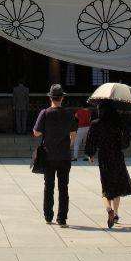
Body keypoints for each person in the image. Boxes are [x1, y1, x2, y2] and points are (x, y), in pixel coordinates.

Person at [32, 84, 77, 226]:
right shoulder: (69, 113)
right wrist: (67, 145)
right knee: (64, 187)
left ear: (50, 98)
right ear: (62, 98)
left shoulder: (45, 113)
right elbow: (73, 134)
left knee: (49, 186)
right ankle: (62, 218)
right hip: (64, 155)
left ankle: (48, 216)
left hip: (48, 155)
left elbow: (36, 132)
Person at [90, 100, 131, 228]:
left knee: (106, 184)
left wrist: (90, 154)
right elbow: (126, 140)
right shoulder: (118, 123)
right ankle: (116, 213)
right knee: (117, 184)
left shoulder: (96, 124)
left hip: (104, 156)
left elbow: (91, 141)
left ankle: (108, 209)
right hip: (117, 155)